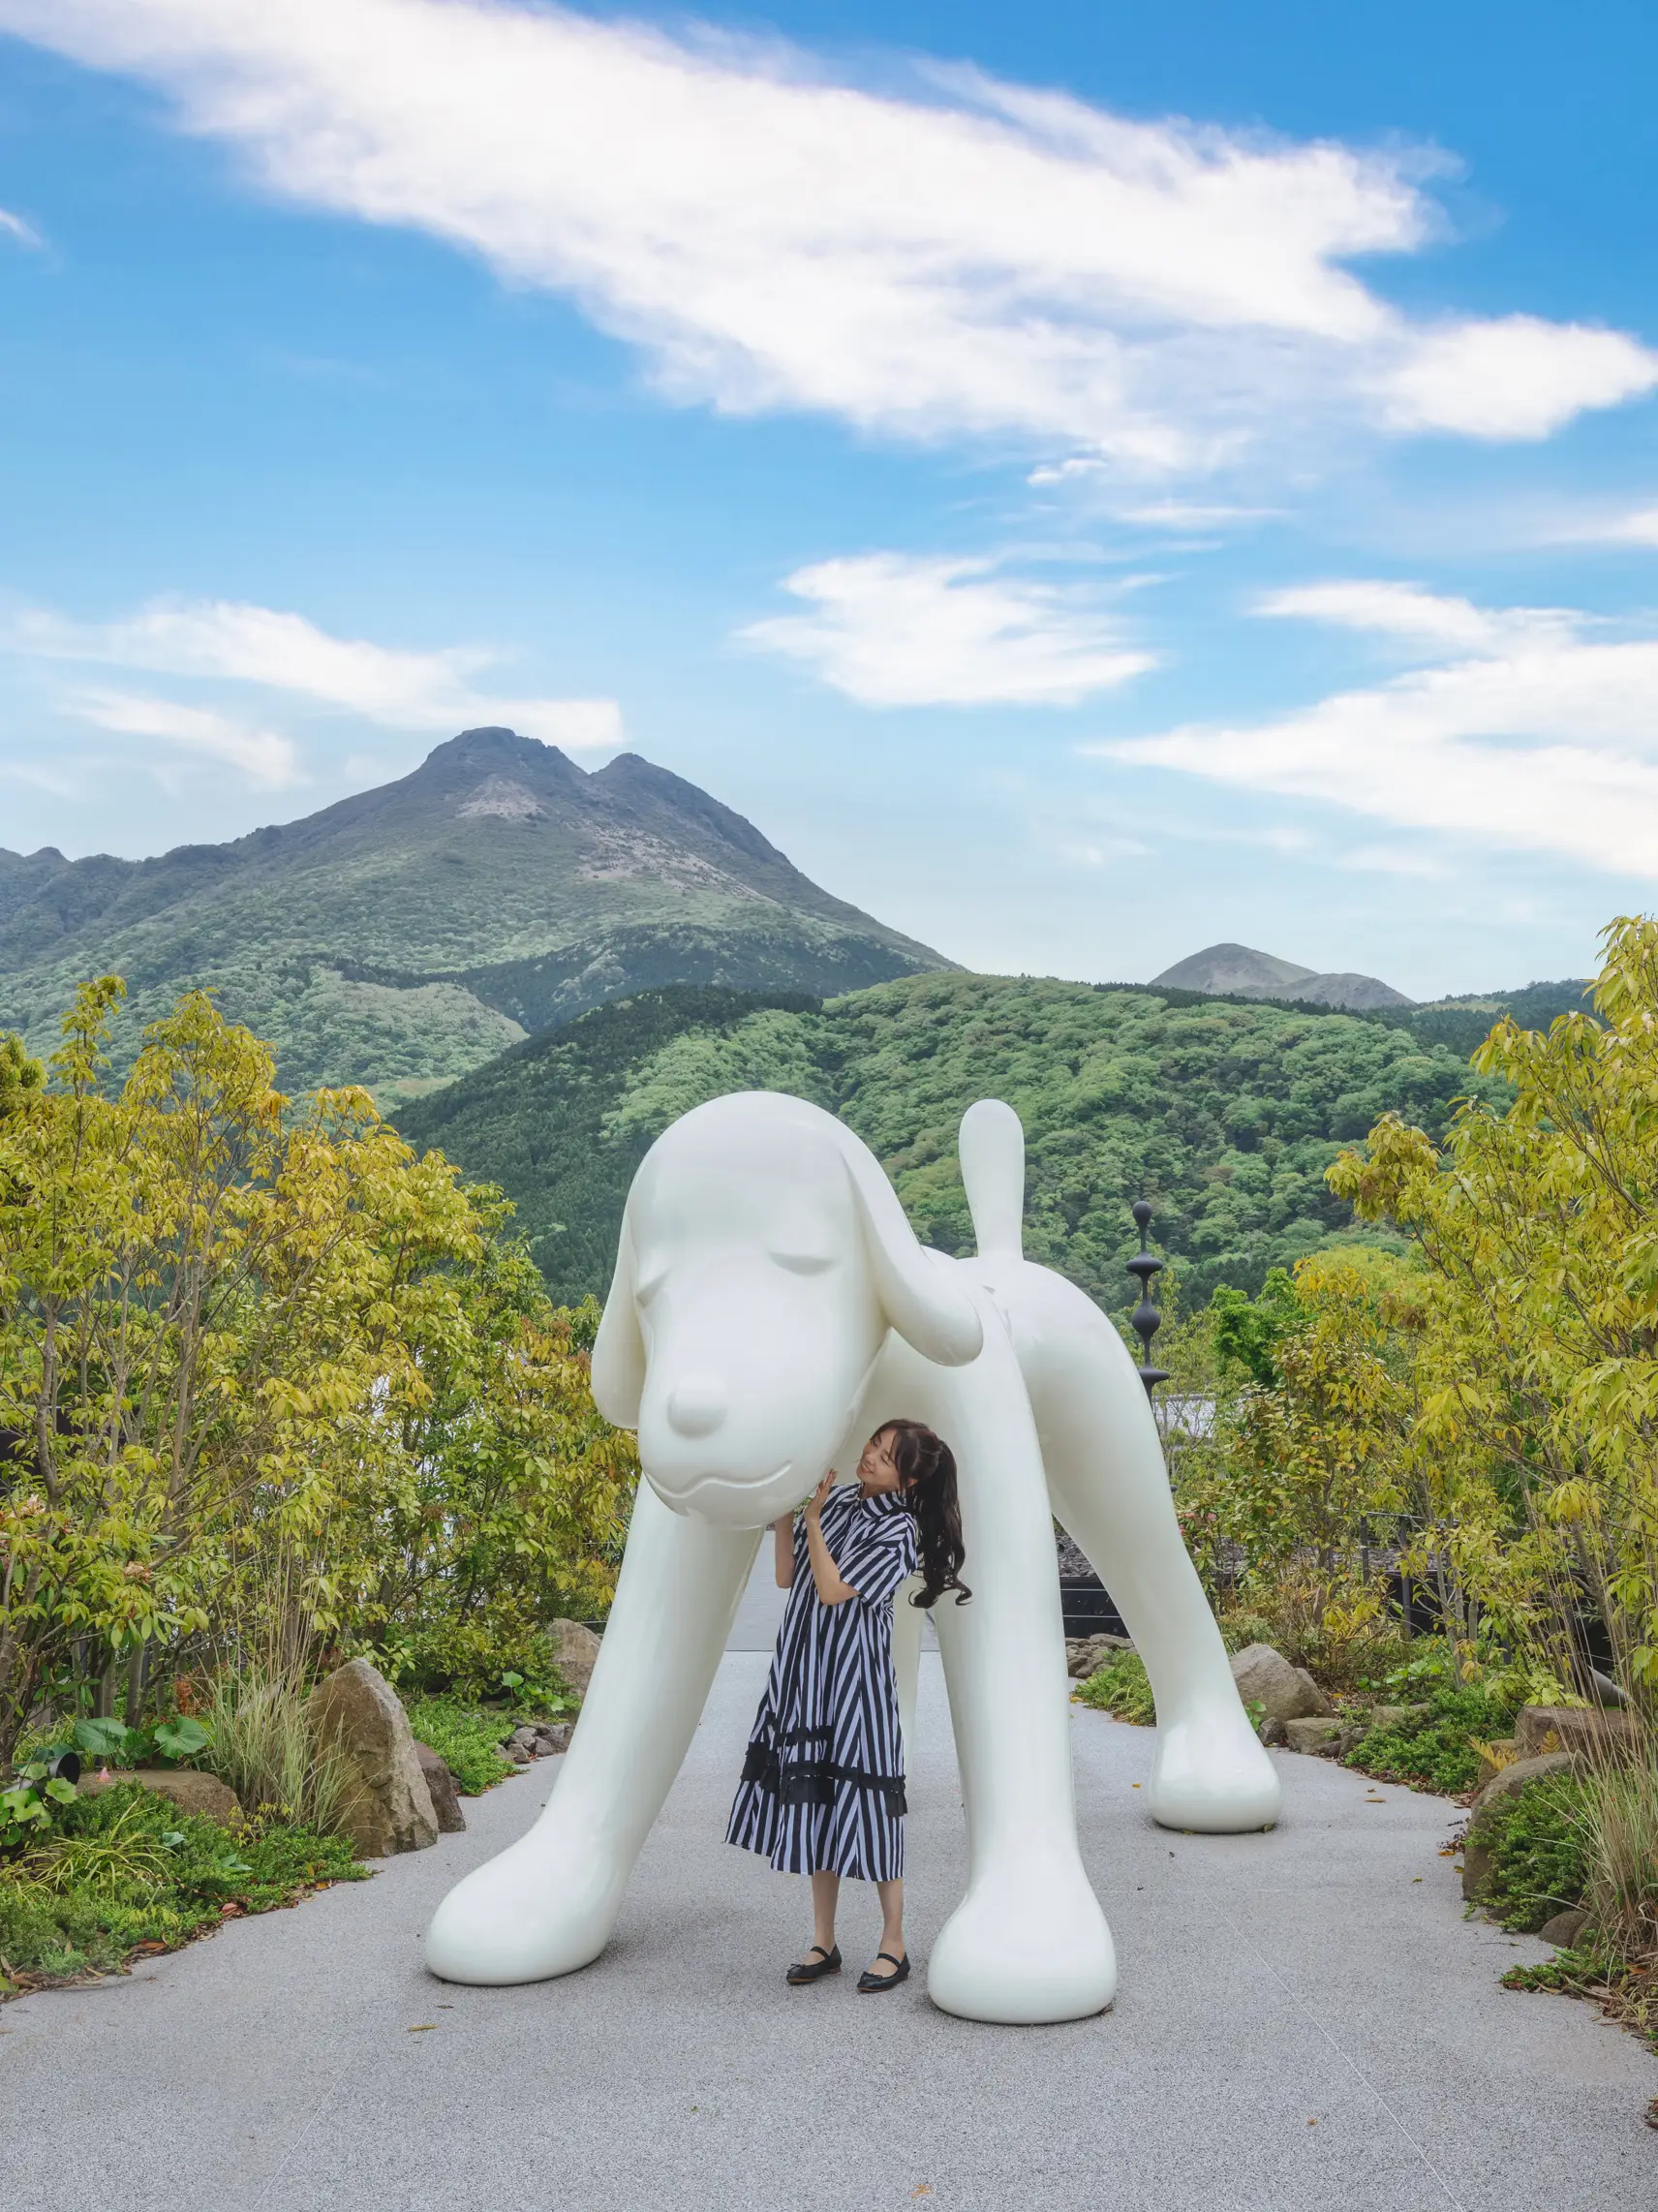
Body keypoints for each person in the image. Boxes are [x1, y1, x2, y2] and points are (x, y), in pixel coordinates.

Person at [726, 1418, 969, 1991]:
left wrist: (811, 1519)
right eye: (873, 1446)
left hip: (856, 1680)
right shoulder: (834, 1500)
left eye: (885, 1457)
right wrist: (786, 1510)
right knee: (817, 1802)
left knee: (870, 1804)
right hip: (806, 1669)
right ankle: (823, 1941)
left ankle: (894, 1944)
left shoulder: (902, 1530)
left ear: (909, 1480)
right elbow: (789, 1578)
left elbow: (835, 1591)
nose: (869, 1457)